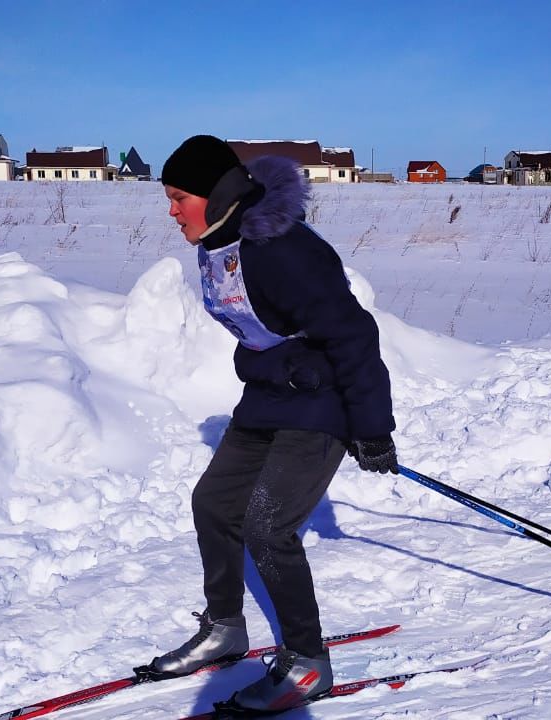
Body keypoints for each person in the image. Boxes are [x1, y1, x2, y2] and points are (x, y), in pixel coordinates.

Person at [137, 135, 398, 712]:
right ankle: (226, 627)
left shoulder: (283, 249)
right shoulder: (221, 242)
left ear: (218, 193)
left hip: (321, 400)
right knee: (214, 504)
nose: (172, 210)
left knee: (267, 525)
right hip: (267, 396)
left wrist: (372, 427)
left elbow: (354, 334)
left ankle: (307, 662)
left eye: (180, 197)